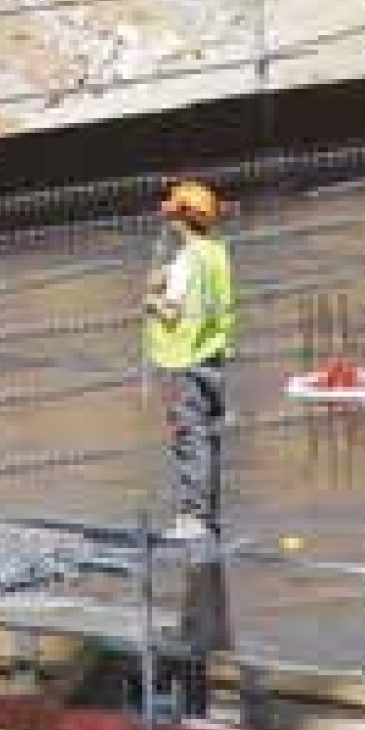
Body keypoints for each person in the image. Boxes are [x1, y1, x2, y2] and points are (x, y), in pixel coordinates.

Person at [143, 180, 234, 543]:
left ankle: (193, 519)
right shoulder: (216, 254)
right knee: (208, 439)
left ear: (181, 219)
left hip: (185, 362)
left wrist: (150, 299)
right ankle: (207, 515)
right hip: (212, 357)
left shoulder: (186, 260)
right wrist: (167, 277)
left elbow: (172, 312)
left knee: (189, 440)